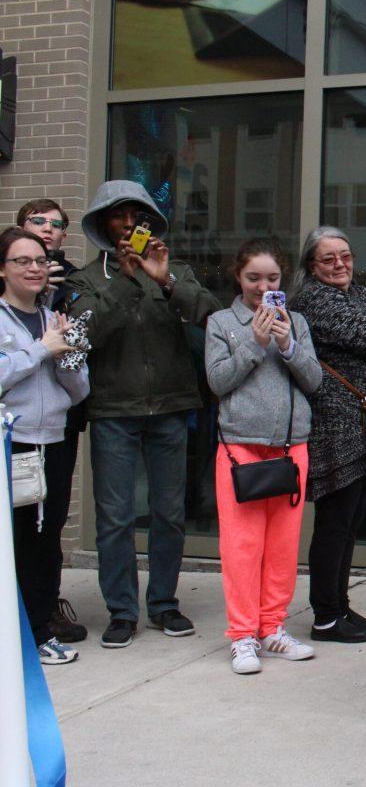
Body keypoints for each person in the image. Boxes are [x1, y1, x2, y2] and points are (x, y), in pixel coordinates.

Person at [65, 180, 220, 648]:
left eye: (137, 216)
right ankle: (121, 611)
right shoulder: (85, 280)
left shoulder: (174, 272)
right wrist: (128, 283)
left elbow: (213, 317)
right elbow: (84, 333)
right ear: (103, 226)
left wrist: (164, 280)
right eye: (119, 216)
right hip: (115, 410)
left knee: (169, 513)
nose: (130, 223)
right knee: (114, 517)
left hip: (171, 407)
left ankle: (164, 605)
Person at [205, 238, 323, 675]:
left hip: (292, 445)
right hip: (241, 446)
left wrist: (288, 344)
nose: (263, 286)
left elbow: (314, 381)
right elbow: (217, 381)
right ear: (239, 277)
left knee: (281, 546)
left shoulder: (297, 321)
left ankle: (272, 626)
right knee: (242, 546)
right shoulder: (221, 322)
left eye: (272, 278)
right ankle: (242, 636)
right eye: (254, 277)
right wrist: (254, 344)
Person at [288, 226, 366, 645]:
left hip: (364, 427)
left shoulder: (357, 294)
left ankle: (339, 604)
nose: (340, 264)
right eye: (328, 258)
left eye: (346, 256)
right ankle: (325, 616)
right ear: (312, 266)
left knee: (351, 522)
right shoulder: (314, 300)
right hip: (336, 431)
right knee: (335, 524)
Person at [0, 227, 90, 665]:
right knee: (11, 541)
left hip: (53, 441)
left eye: (40, 261)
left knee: (46, 539)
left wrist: (66, 355)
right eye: (23, 261)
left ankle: (39, 632)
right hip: (10, 444)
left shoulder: (56, 317)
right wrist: (39, 350)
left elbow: (79, 390)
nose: (35, 269)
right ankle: (10, 635)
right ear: (3, 269)